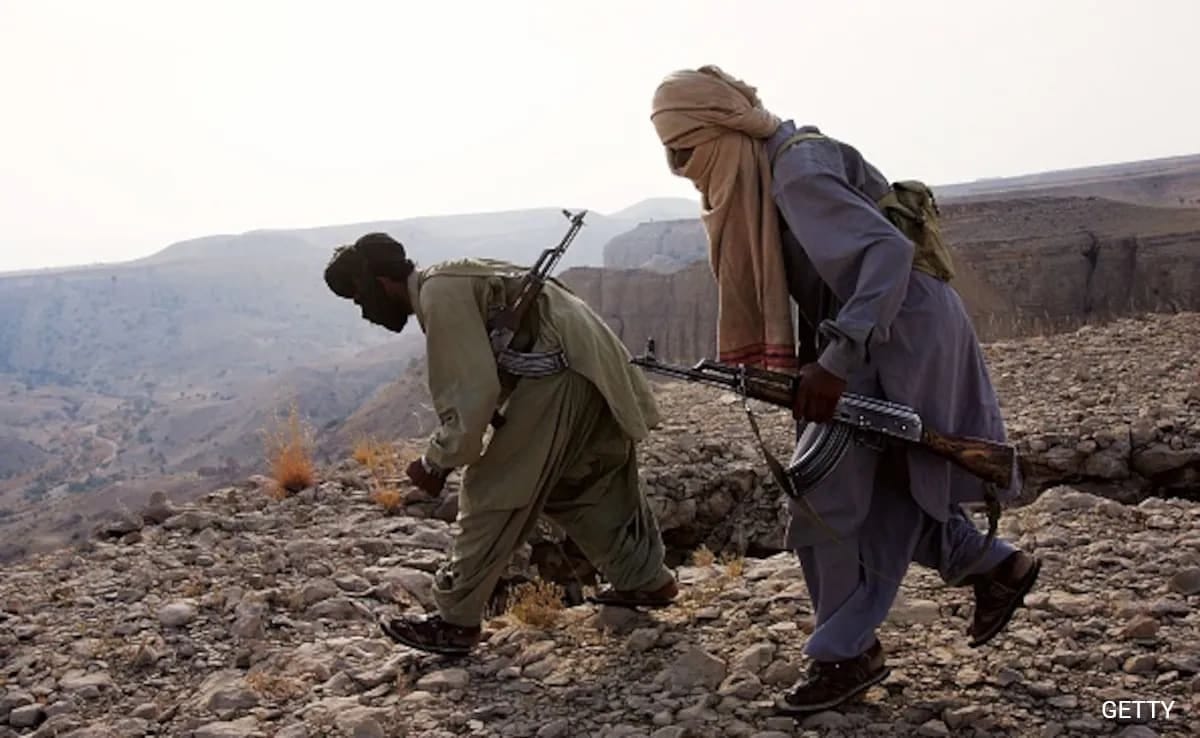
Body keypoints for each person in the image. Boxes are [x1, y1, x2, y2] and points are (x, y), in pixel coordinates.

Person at [649, 66, 1041, 714]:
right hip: (877, 329)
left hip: (897, 330)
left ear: (720, 129)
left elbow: (885, 256)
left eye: (685, 152)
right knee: (886, 486)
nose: (682, 169)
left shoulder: (794, 171)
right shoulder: (776, 167)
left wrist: (834, 361)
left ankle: (845, 654)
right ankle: (996, 568)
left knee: (825, 494)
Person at [322, 233, 678, 656]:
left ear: (381, 284)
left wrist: (435, 463)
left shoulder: (439, 295)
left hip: (561, 376)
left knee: (491, 490)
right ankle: (644, 578)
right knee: (577, 486)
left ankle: (455, 622)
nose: (364, 313)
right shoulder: (453, 274)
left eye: (361, 300)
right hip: (591, 367)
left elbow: (470, 399)